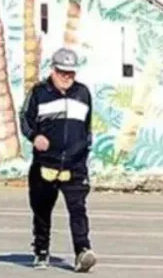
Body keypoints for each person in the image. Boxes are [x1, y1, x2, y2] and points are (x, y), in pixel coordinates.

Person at [20, 47, 97, 272]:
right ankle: (41, 251)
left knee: (78, 208)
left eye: (71, 73)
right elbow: (24, 118)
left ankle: (83, 251)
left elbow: (87, 126)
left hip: (75, 165)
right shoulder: (39, 92)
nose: (67, 77)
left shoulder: (83, 93)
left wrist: (84, 148)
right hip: (46, 164)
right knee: (42, 210)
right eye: (62, 72)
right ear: (53, 70)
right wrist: (35, 137)